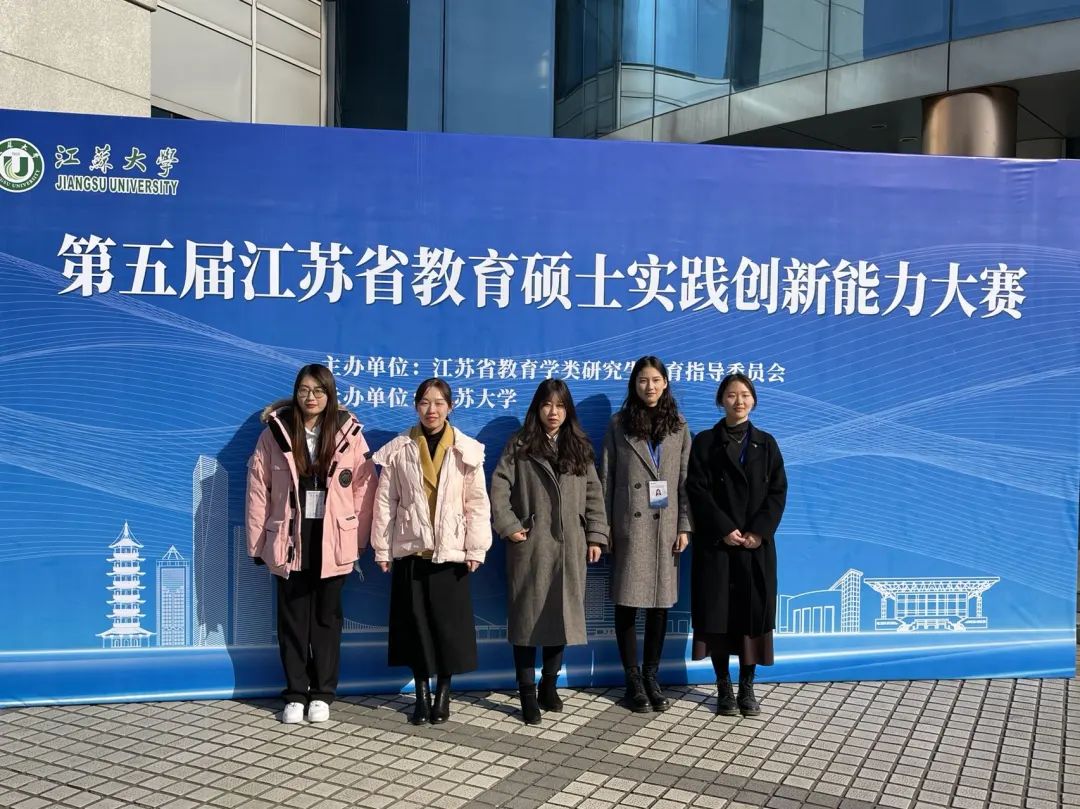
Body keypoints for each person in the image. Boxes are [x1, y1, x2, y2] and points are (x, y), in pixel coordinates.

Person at [245, 363, 376, 724]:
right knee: (292, 620)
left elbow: (365, 487)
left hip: (333, 536)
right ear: (295, 393)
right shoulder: (275, 433)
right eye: (304, 390)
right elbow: (258, 490)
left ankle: (322, 693)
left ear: (330, 394)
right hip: (290, 535)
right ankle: (295, 693)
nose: (311, 397)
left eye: (319, 390)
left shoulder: (349, 432)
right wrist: (257, 544)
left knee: (326, 619)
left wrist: (357, 539)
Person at [370, 378, 492, 726]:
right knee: (416, 629)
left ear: (450, 407)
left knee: (447, 629)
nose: (432, 410)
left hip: (451, 553)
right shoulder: (400, 448)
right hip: (412, 551)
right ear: (416, 406)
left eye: (439, 403)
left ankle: (443, 693)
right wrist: (382, 549)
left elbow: (476, 503)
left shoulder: (467, 450)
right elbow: (386, 502)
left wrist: (476, 548)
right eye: (425, 403)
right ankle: (422, 693)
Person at [490, 379, 609, 725]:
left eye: (559, 406)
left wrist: (595, 536)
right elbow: (499, 487)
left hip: (570, 545)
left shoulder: (579, 447)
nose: (553, 412)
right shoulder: (520, 444)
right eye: (546, 405)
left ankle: (549, 685)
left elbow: (593, 494)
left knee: (562, 616)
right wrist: (510, 526)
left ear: (567, 410)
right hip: (532, 545)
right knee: (527, 620)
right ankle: (527, 692)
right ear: (537, 408)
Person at [686, 372, 787, 717]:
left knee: (750, 618)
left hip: (754, 547)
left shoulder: (766, 443)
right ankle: (723, 688)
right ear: (721, 401)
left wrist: (758, 532)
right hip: (718, 546)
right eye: (731, 395)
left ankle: (747, 687)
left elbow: (778, 492)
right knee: (718, 618)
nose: (739, 401)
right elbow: (696, 490)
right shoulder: (705, 442)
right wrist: (724, 528)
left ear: (753, 400)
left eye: (745, 394)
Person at [601, 356, 691, 713]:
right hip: (630, 526)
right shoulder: (619, 424)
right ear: (633, 385)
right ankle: (632, 679)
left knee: (660, 605)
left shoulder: (679, 426)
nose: (649, 386)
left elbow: (685, 480)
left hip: (665, 528)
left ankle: (652, 675)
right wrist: (603, 529)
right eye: (642, 380)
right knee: (626, 603)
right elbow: (606, 478)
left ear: (665, 383)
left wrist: (684, 525)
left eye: (655, 380)